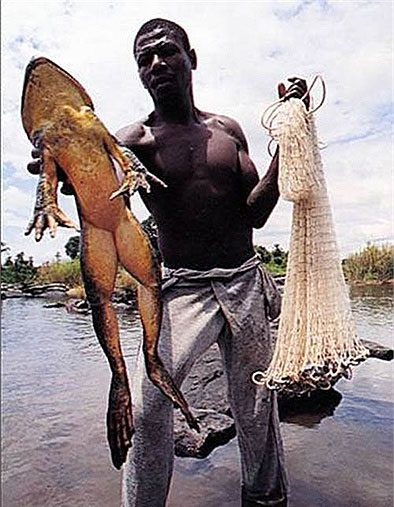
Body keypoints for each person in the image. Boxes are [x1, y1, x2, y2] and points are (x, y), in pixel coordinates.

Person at [27, 18, 308, 507]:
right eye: (144, 58)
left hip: (245, 279)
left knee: (258, 403)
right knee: (153, 401)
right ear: (139, 74)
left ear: (190, 58)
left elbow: (256, 213)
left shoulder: (228, 131)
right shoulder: (134, 140)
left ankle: (265, 496)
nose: (156, 63)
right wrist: (59, 163)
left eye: (167, 51)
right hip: (180, 288)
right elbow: (93, 182)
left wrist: (289, 142)